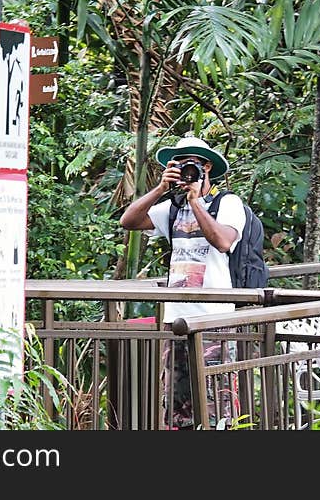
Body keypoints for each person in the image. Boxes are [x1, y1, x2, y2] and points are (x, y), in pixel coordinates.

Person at [119, 136, 246, 429]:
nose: (188, 169)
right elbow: (129, 221)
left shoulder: (227, 203)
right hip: (176, 318)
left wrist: (196, 201)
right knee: (177, 406)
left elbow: (223, 241)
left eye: (195, 163)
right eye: (181, 163)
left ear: (207, 168)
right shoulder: (171, 207)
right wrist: (161, 188)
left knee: (215, 404)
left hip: (215, 319)